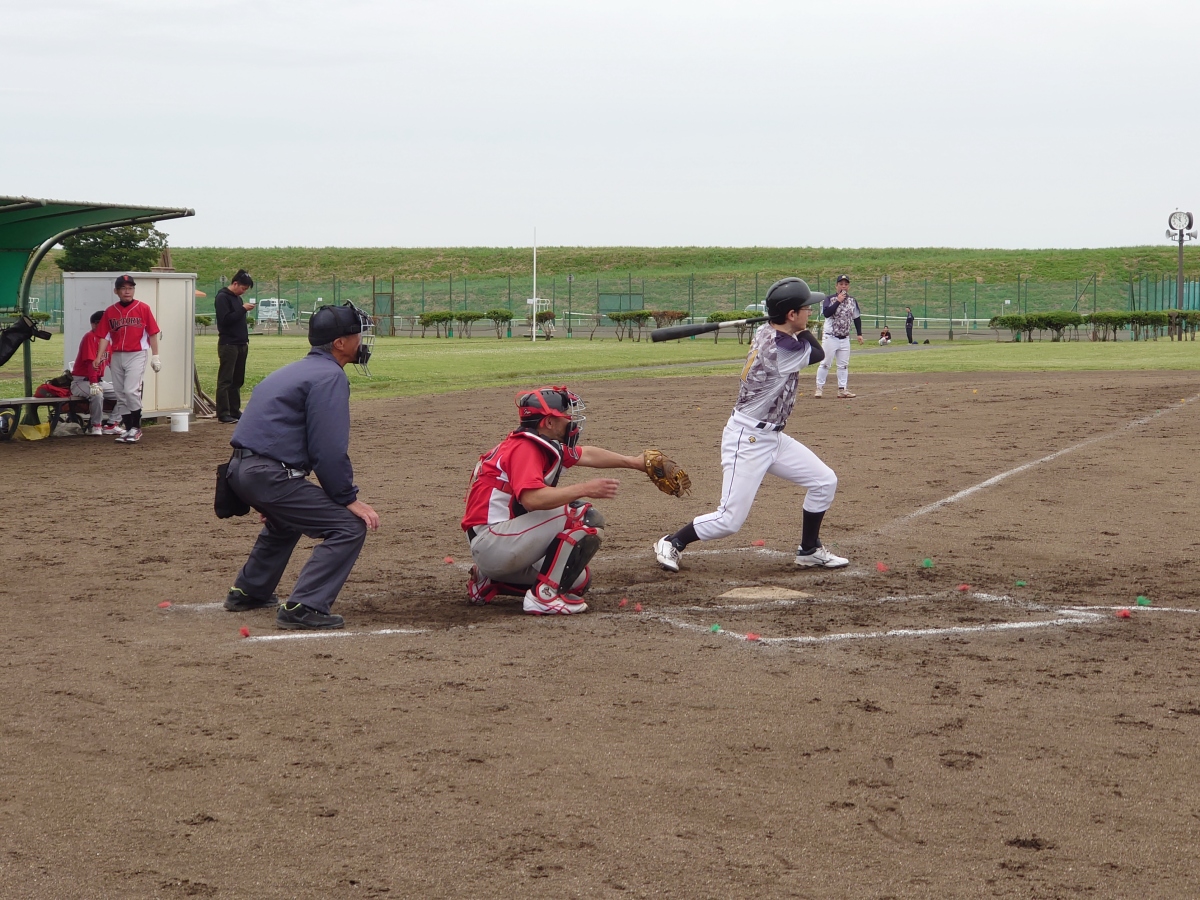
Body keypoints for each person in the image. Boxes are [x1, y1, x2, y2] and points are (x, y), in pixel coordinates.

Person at [654, 277, 849, 574]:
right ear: (790, 314)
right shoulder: (781, 349)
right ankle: (672, 541)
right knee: (729, 520)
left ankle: (809, 550)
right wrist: (802, 329)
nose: (811, 311)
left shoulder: (765, 330)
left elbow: (788, 332)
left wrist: (790, 324)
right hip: (747, 439)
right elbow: (819, 353)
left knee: (824, 481)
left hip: (773, 437)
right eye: (805, 308)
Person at [222, 302, 380, 630]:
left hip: (240, 472)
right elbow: (328, 450)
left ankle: (249, 591)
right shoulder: (329, 376)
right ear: (339, 343)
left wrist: (272, 498)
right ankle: (304, 606)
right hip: (266, 474)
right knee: (348, 526)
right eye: (357, 334)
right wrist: (347, 498)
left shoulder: (295, 369)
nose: (361, 340)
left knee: (285, 520)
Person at [462, 386, 653, 616]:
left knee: (575, 579)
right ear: (549, 422)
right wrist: (585, 489)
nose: (571, 421)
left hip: (500, 543)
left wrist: (634, 462)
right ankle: (543, 597)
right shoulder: (525, 448)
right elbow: (532, 499)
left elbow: (586, 454)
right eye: (564, 415)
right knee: (582, 516)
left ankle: (489, 581)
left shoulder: (535, 443)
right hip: (494, 543)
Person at [93, 275, 161, 443]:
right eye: (123, 288)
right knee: (120, 393)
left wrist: (156, 356)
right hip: (117, 355)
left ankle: (136, 428)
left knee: (131, 390)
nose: (127, 291)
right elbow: (104, 336)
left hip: (137, 354)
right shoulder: (110, 311)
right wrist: (99, 356)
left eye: (130, 288)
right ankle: (129, 429)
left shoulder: (143, 308)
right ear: (116, 291)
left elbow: (153, 332)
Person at [214, 269, 255, 423]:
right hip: (228, 344)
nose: (243, 292)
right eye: (243, 288)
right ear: (235, 283)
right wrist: (243, 309)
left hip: (241, 343)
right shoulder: (222, 297)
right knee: (226, 379)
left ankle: (234, 409)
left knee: (237, 379)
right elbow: (225, 320)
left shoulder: (237, 299)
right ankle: (223, 412)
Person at [71, 310, 119, 436]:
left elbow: (112, 365)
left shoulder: (107, 340)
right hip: (81, 381)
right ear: (94, 324)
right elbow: (90, 363)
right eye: (101, 323)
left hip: (98, 381)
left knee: (124, 394)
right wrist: (93, 384)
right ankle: (96, 425)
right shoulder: (90, 337)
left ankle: (112, 425)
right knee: (97, 394)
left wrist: (120, 382)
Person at [814, 274, 862, 399]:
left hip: (844, 337)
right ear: (836, 286)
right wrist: (838, 301)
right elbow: (827, 313)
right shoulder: (829, 299)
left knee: (843, 365)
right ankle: (819, 388)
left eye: (846, 284)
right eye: (841, 284)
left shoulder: (852, 301)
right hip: (830, 336)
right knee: (825, 363)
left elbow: (857, 318)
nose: (843, 286)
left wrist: (859, 334)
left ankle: (842, 389)